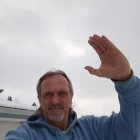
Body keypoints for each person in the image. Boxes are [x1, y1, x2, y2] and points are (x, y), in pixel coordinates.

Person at [5, 34, 140, 140]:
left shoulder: (92, 128)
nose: (55, 100)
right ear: (39, 99)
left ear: (71, 96)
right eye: (48, 94)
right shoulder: (26, 135)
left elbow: (130, 130)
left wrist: (126, 80)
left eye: (62, 93)